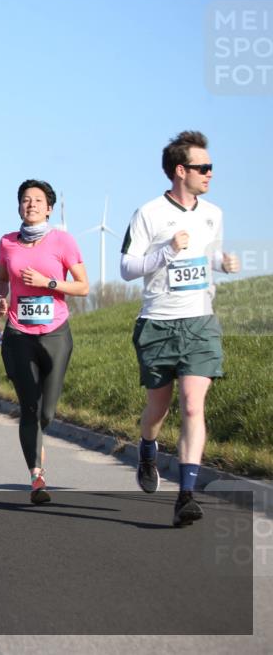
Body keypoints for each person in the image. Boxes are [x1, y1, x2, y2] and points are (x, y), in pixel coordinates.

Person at [120, 130, 240, 527]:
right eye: (203, 167)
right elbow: (127, 268)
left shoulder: (213, 213)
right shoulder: (148, 213)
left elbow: (208, 256)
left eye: (211, 167)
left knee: (192, 404)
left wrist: (223, 263)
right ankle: (148, 447)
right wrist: (166, 251)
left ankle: (186, 495)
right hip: (157, 323)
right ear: (180, 170)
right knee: (159, 407)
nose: (210, 173)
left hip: (200, 322)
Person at [0, 180, 88, 504]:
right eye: (25, 199)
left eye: (38, 200)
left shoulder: (63, 240)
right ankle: (37, 476)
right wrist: (1, 299)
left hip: (55, 333)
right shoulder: (7, 243)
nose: (31, 204)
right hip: (18, 333)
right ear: (18, 207)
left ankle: (39, 436)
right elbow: (1, 279)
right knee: (30, 407)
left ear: (49, 208)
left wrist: (48, 282)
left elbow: (83, 286)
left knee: (46, 412)